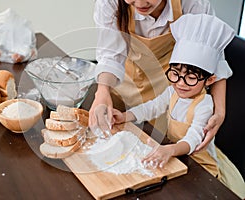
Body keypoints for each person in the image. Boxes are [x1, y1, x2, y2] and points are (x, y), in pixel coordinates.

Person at [111, 14, 245, 199]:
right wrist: (125, 116)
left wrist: (170, 150)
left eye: (191, 77)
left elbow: (193, 139)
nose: (181, 83)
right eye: (175, 74)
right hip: (177, 157)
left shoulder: (204, 105)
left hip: (199, 166)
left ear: (210, 80)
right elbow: (151, 107)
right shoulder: (173, 91)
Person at [90, 0, 230, 151]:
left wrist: (220, 112)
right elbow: (110, 55)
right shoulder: (110, 3)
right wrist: (102, 92)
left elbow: (216, 62)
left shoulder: (193, 4)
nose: (140, 3)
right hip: (122, 86)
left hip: (164, 86)